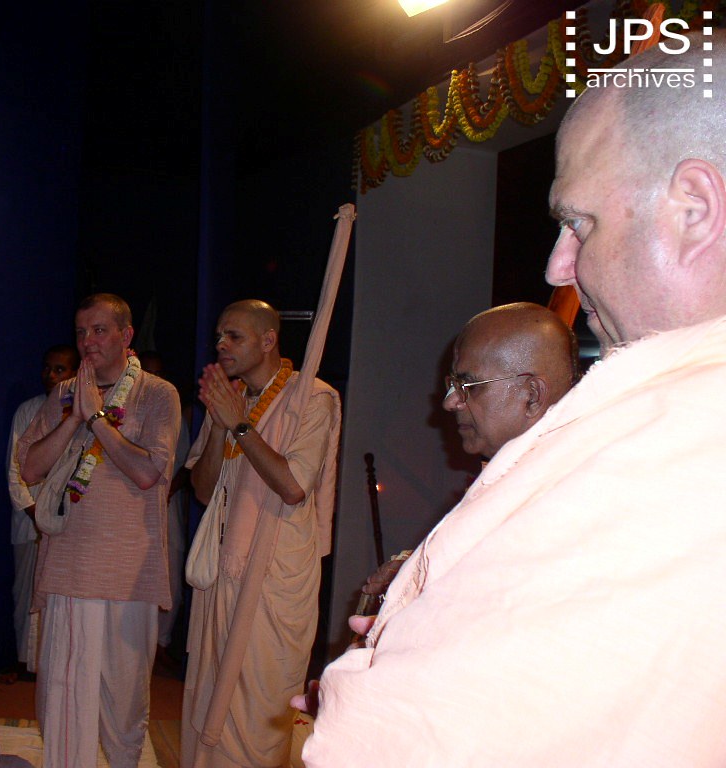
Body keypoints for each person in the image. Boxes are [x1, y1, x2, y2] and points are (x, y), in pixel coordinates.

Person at [300, 31, 726, 767]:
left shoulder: (675, 447)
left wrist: (381, 669)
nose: (559, 265)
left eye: (579, 223)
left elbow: (416, 739)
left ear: (694, 207)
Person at [17, 293, 180, 768]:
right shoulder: (64, 393)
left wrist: (97, 419)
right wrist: (74, 416)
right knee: (62, 699)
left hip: (129, 574)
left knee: (123, 703)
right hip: (68, 569)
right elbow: (29, 468)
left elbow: (148, 472)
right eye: (81, 332)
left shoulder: (157, 394)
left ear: (126, 335)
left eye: (99, 330)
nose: (87, 341)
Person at [181, 299, 342, 768]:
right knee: (209, 698)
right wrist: (218, 427)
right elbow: (203, 490)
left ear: (269, 340)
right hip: (224, 573)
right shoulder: (231, 399)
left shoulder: (313, 397)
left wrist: (240, 424)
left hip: (274, 578)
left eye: (234, 336)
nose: (220, 344)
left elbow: (293, 486)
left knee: (256, 711)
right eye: (219, 335)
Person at [361, 301, 578, 600]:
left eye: (469, 385)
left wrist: (425, 582)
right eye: (452, 385)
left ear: (531, 395)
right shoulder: (520, 478)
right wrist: (419, 569)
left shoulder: (569, 495)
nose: (450, 402)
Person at [6, 343, 79, 669]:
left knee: (61, 598)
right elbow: (15, 469)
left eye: (59, 369)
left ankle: (56, 665)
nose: (50, 375)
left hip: (69, 522)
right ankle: (26, 664)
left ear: (75, 373)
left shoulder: (84, 411)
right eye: (47, 368)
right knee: (26, 594)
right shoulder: (28, 410)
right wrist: (37, 514)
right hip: (30, 520)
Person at [138, 350, 193, 675]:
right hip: (133, 508)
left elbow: (186, 463)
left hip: (166, 505)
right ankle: (138, 648)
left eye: (159, 373)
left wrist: (167, 490)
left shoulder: (171, 410)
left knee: (170, 576)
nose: (153, 379)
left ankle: (161, 645)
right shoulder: (123, 410)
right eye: (148, 372)